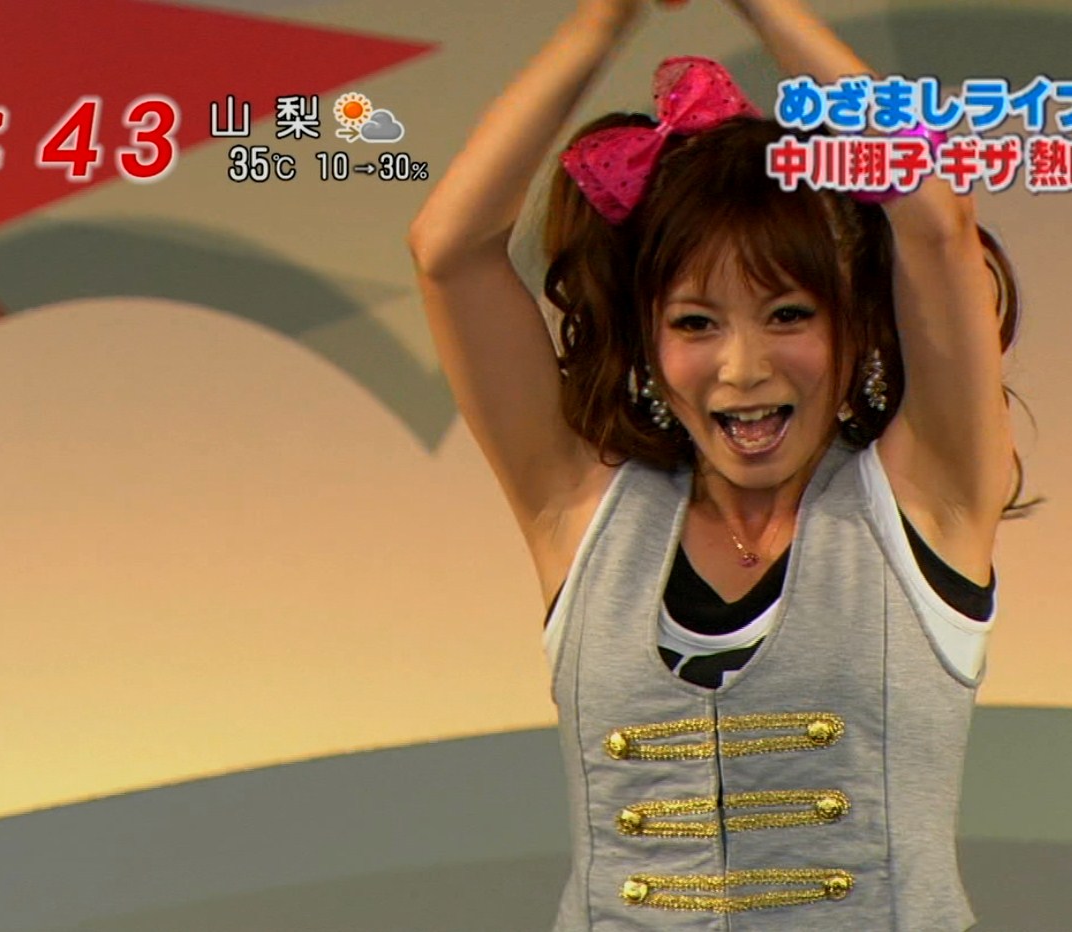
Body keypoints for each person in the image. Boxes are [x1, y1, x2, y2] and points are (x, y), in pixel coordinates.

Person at [408, 1, 1027, 928]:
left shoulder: (925, 499)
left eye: (788, 316)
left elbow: (936, 219)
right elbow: (447, 250)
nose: (743, 369)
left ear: (855, 324)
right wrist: (606, 17)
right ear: (648, 343)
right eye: (696, 323)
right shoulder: (581, 513)